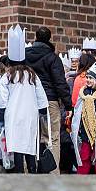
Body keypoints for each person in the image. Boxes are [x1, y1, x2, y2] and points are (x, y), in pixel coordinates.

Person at [0, 25, 49, 174]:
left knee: (17, 146)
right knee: (30, 145)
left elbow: (1, 100)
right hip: (30, 114)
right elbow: (41, 97)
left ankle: (19, 173)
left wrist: (1, 116)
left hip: (13, 115)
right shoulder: (32, 75)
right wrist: (42, 112)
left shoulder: (7, 76)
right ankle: (32, 170)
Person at [26, 26, 73, 174]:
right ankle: (53, 173)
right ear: (49, 39)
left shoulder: (24, 56)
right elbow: (60, 82)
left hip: (29, 100)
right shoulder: (52, 57)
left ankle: (28, 171)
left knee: (30, 136)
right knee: (52, 137)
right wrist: (68, 105)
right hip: (49, 100)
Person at [71, 61, 96, 174]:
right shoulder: (83, 93)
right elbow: (78, 111)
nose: (88, 80)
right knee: (84, 156)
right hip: (85, 131)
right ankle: (82, 177)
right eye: (87, 77)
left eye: (91, 78)